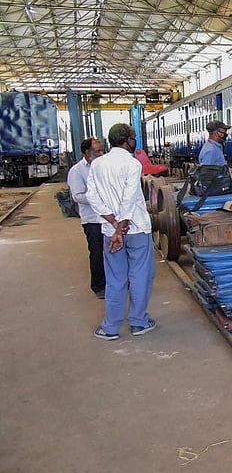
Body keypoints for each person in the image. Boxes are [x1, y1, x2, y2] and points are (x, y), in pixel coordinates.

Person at [85, 123, 157, 340]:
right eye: (133, 137)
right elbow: (130, 196)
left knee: (115, 279)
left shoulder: (97, 164)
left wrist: (112, 223)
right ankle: (138, 322)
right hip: (135, 230)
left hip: (110, 232)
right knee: (140, 275)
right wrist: (121, 225)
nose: (134, 141)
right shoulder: (132, 164)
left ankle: (110, 327)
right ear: (127, 140)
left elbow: (91, 196)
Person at [66, 137, 106, 299]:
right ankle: (98, 286)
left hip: (108, 218)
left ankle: (116, 282)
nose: (102, 153)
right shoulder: (77, 171)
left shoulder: (104, 167)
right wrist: (100, 198)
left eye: (102, 150)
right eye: (98, 151)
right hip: (92, 220)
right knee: (97, 253)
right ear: (87, 153)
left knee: (114, 252)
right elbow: (78, 196)